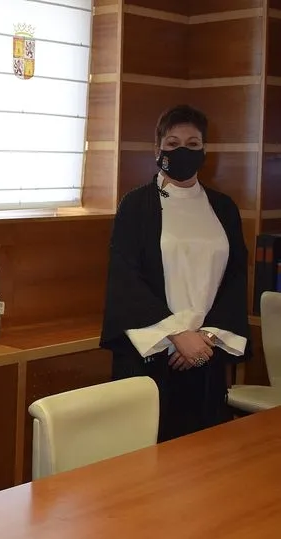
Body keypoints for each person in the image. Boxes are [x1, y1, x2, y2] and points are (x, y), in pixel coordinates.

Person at [100, 104, 249, 442]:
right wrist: (177, 335)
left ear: (205, 150)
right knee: (145, 459)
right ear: (158, 149)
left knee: (203, 457)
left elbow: (236, 277)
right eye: (173, 143)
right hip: (152, 355)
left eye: (193, 144)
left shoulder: (223, 207)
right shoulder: (136, 206)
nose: (183, 151)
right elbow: (126, 280)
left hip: (205, 355)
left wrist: (207, 337)